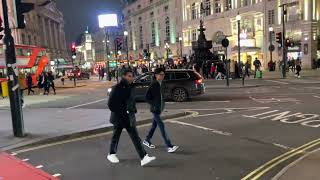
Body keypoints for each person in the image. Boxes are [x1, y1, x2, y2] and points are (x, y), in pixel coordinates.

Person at [107, 69, 156, 166]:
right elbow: (111, 104)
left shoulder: (130, 87)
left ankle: (143, 157)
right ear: (124, 76)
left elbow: (131, 101)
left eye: (132, 76)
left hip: (128, 117)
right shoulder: (117, 88)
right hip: (120, 117)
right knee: (116, 136)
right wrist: (123, 111)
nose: (131, 78)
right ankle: (111, 154)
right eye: (129, 76)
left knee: (135, 137)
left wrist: (133, 109)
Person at [143, 68, 179, 153]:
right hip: (155, 109)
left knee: (154, 126)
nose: (163, 76)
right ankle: (169, 146)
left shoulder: (160, 83)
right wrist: (154, 104)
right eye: (161, 74)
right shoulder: (154, 84)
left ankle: (147, 140)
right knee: (161, 126)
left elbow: (161, 96)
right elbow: (146, 97)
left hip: (159, 109)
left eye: (163, 74)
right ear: (156, 75)